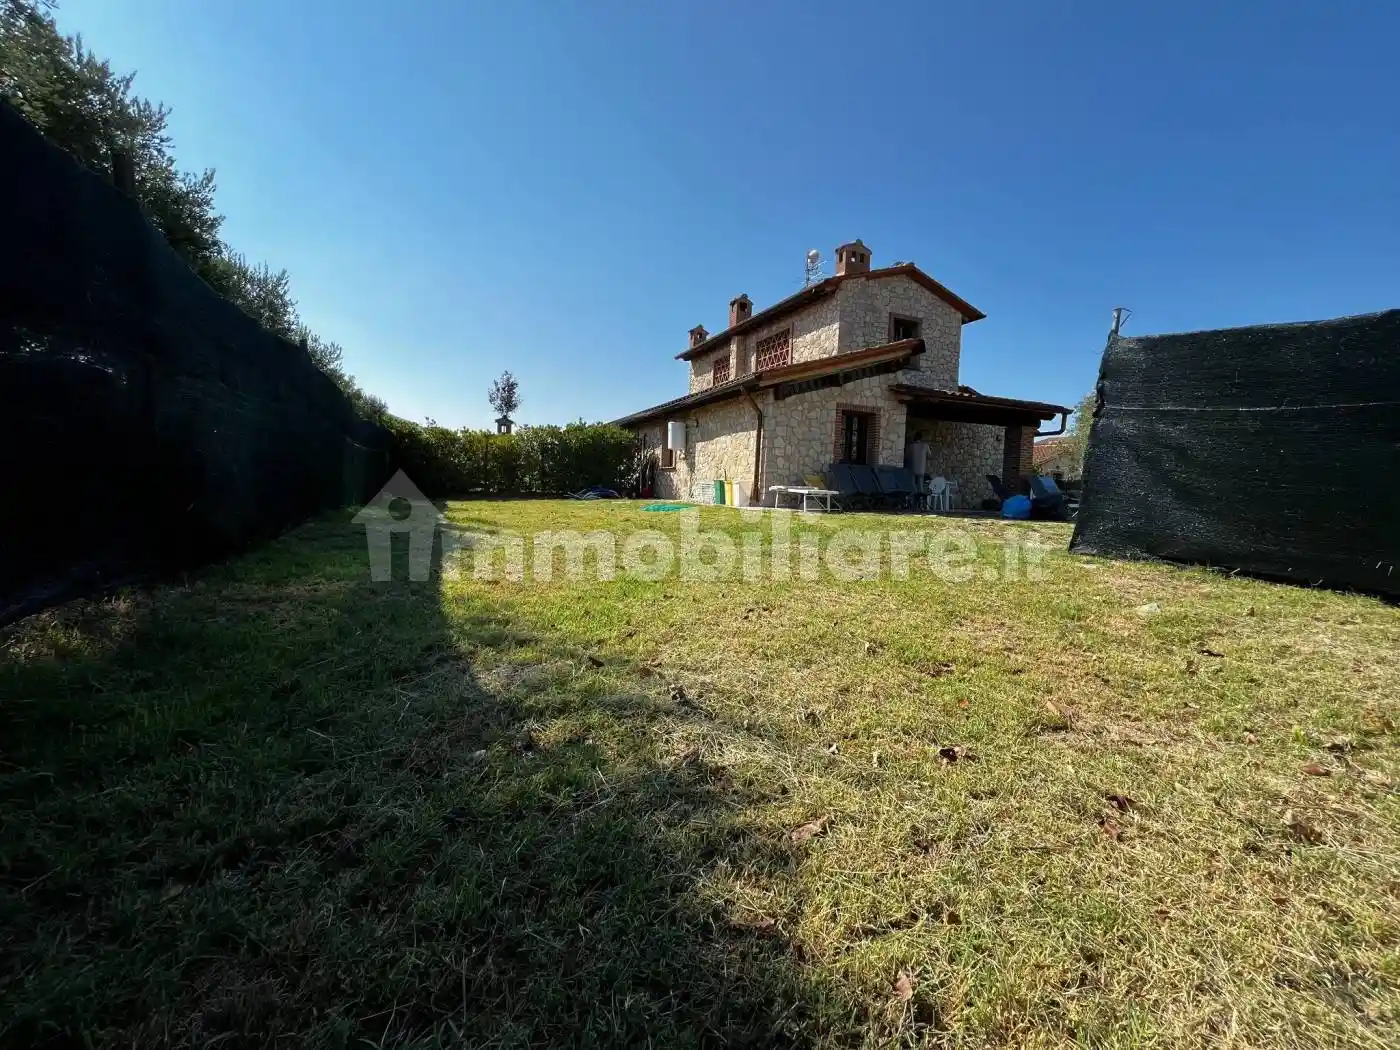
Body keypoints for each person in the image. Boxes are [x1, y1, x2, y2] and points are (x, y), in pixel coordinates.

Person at [904, 429, 929, 504]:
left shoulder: (910, 446)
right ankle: (920, 501)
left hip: (912, 468)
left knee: (912, 484)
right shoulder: (925, 445)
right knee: (920, 485)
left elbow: (906, 456)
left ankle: (914, 498)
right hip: (921, 469)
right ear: (921, 438)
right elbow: (930, 455)